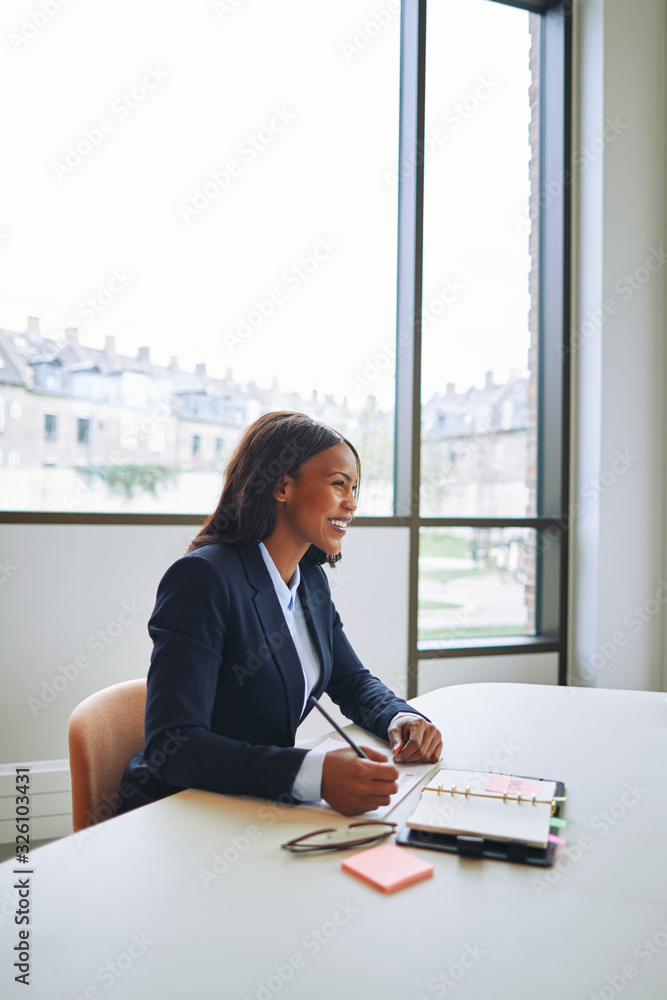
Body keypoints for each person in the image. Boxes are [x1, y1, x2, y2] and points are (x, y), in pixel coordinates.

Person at [116, 411, 443, 818]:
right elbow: (175, 746)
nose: (352, 503)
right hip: (181, 811)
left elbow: (351, 681)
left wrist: (398, 716)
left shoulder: (309, 579)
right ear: (282, 486)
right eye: (338, 484)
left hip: (253, 808)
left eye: (355, 488)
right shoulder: (203, 578)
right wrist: (314, 775)